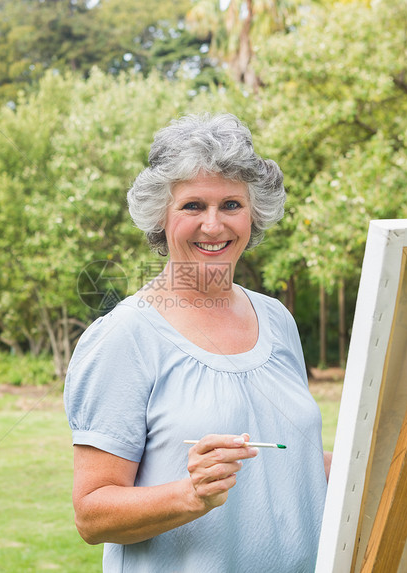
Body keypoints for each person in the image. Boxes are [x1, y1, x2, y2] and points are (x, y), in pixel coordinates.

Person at [64, 112, 330, 572]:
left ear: (254, 213)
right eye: (192, 206)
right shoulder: (125, 336)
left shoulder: (277, 319)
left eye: (231, 205)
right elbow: (93, 514)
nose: (213, 225)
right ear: (160, 217)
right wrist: (190, 494)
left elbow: (285, 462)